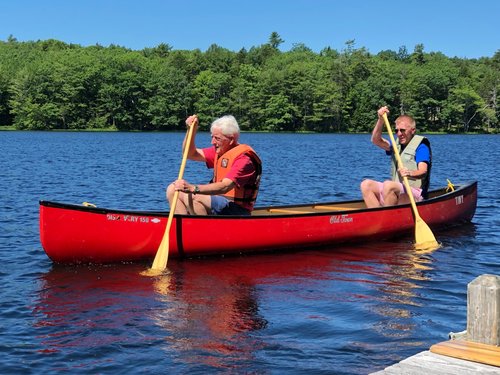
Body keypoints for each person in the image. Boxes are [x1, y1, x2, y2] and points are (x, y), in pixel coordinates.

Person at [166, 114, 262, 216]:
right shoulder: (219, 152)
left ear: (232, 139)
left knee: (195, 196)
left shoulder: (244, 159)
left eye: (217, 138)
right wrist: (191, 130)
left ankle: (203, 230)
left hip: (237, 210)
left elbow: (225, 186)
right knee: (172, 189)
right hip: (219, 203)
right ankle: (185, 227)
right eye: (212, 137)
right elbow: (189, 154)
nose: (212, 142)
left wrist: (193, 188)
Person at [360, 106, 432, 208]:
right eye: (396, 130)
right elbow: (376, 140)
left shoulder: (421, 147)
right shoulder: (395, 145)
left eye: (402, 130)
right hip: (398, 190)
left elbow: (423, 171)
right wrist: (381, 119)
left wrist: (409, 173)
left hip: (416, 194)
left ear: (413, 130)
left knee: (389, 185)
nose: (399, 134)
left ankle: (387, 218)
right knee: (366, 185)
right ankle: (378, 217)